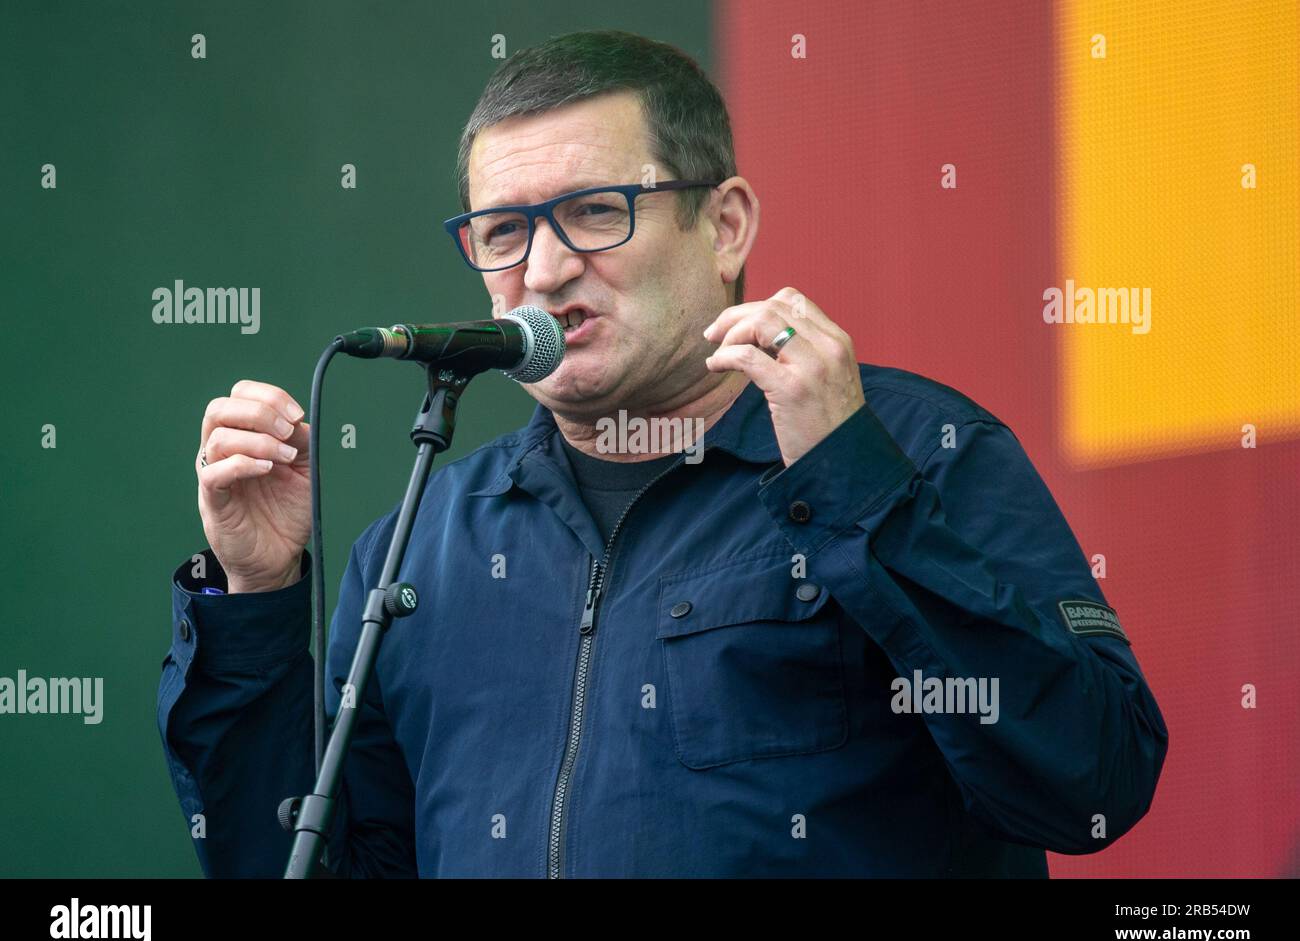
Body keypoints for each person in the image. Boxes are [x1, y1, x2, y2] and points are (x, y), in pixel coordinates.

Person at [158, 29, 1167, 877]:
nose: (543, 272)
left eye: (596, 211)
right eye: (503, 231)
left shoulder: (918, 447)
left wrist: (857, 488)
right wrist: (253, 595)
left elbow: (1091, 782)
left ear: (724, 225)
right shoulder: (420, 546)